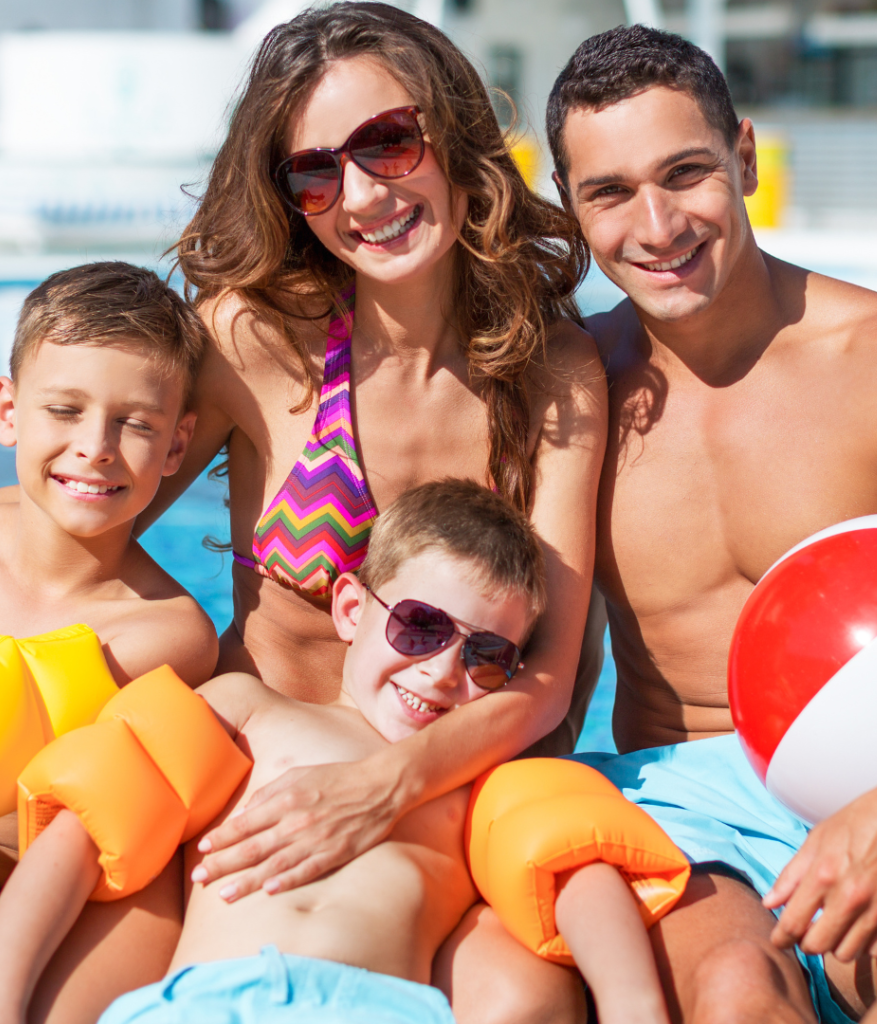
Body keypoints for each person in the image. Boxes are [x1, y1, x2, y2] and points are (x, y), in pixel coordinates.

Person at [136, 5, 605, 1017]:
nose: (360, 194)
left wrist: (382, 788)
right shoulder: (253, 344)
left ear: (454, 136)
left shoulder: (549, 374)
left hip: (447, 814)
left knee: (529, 1006)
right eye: (313, 172)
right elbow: (86, 524)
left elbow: (551, 674)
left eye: (388, 144)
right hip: (254, 800)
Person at [544, 24, 877, 1024]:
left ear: (742, 158)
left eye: (684, 173)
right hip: (691, 803)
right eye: (608, 193)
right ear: (571, 209)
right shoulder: (569, 393)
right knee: (737, 994)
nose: (655, 225)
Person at [0, 481, 675, 1024]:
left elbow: (576, 876)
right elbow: (91, 819)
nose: (442, 671)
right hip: (205, 1002)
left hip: (376, 1007)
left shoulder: (479, 775)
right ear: (351, 610)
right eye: (422, 627)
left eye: (487, 656)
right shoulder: (248, 711)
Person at [0, 262, 219, 1019]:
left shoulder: (163, 629)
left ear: (177, 447)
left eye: (135, 424)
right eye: (64, 410)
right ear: (9, 410)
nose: (96, 447)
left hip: (24, 904)